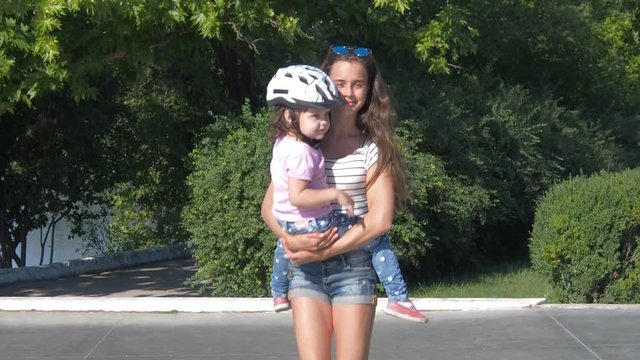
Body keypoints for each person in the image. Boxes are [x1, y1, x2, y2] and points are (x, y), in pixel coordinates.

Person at [262, 45, 427, 359]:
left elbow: (381, 220)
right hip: (305, 271)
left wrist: (323, 250)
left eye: (358, 84)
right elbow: (270, 208)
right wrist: (291, 240)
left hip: (353, 269)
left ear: (369, 89)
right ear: (323, 85)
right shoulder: (301, 145)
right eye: (339, 83)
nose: (348, 93)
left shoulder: (372, 148)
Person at [264, 64, 356, 312]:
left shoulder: (282, 143)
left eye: (327, 115)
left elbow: (273, 204)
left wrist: (288, 239)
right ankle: (397, 293)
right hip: (311, 223)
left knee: (283, 250)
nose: (324, 123)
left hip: (285, 222)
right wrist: (336, 194)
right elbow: (298, 196)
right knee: (369, 233)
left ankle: (279, 292)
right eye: (316, 116)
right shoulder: (303, 153)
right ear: (290, 116)